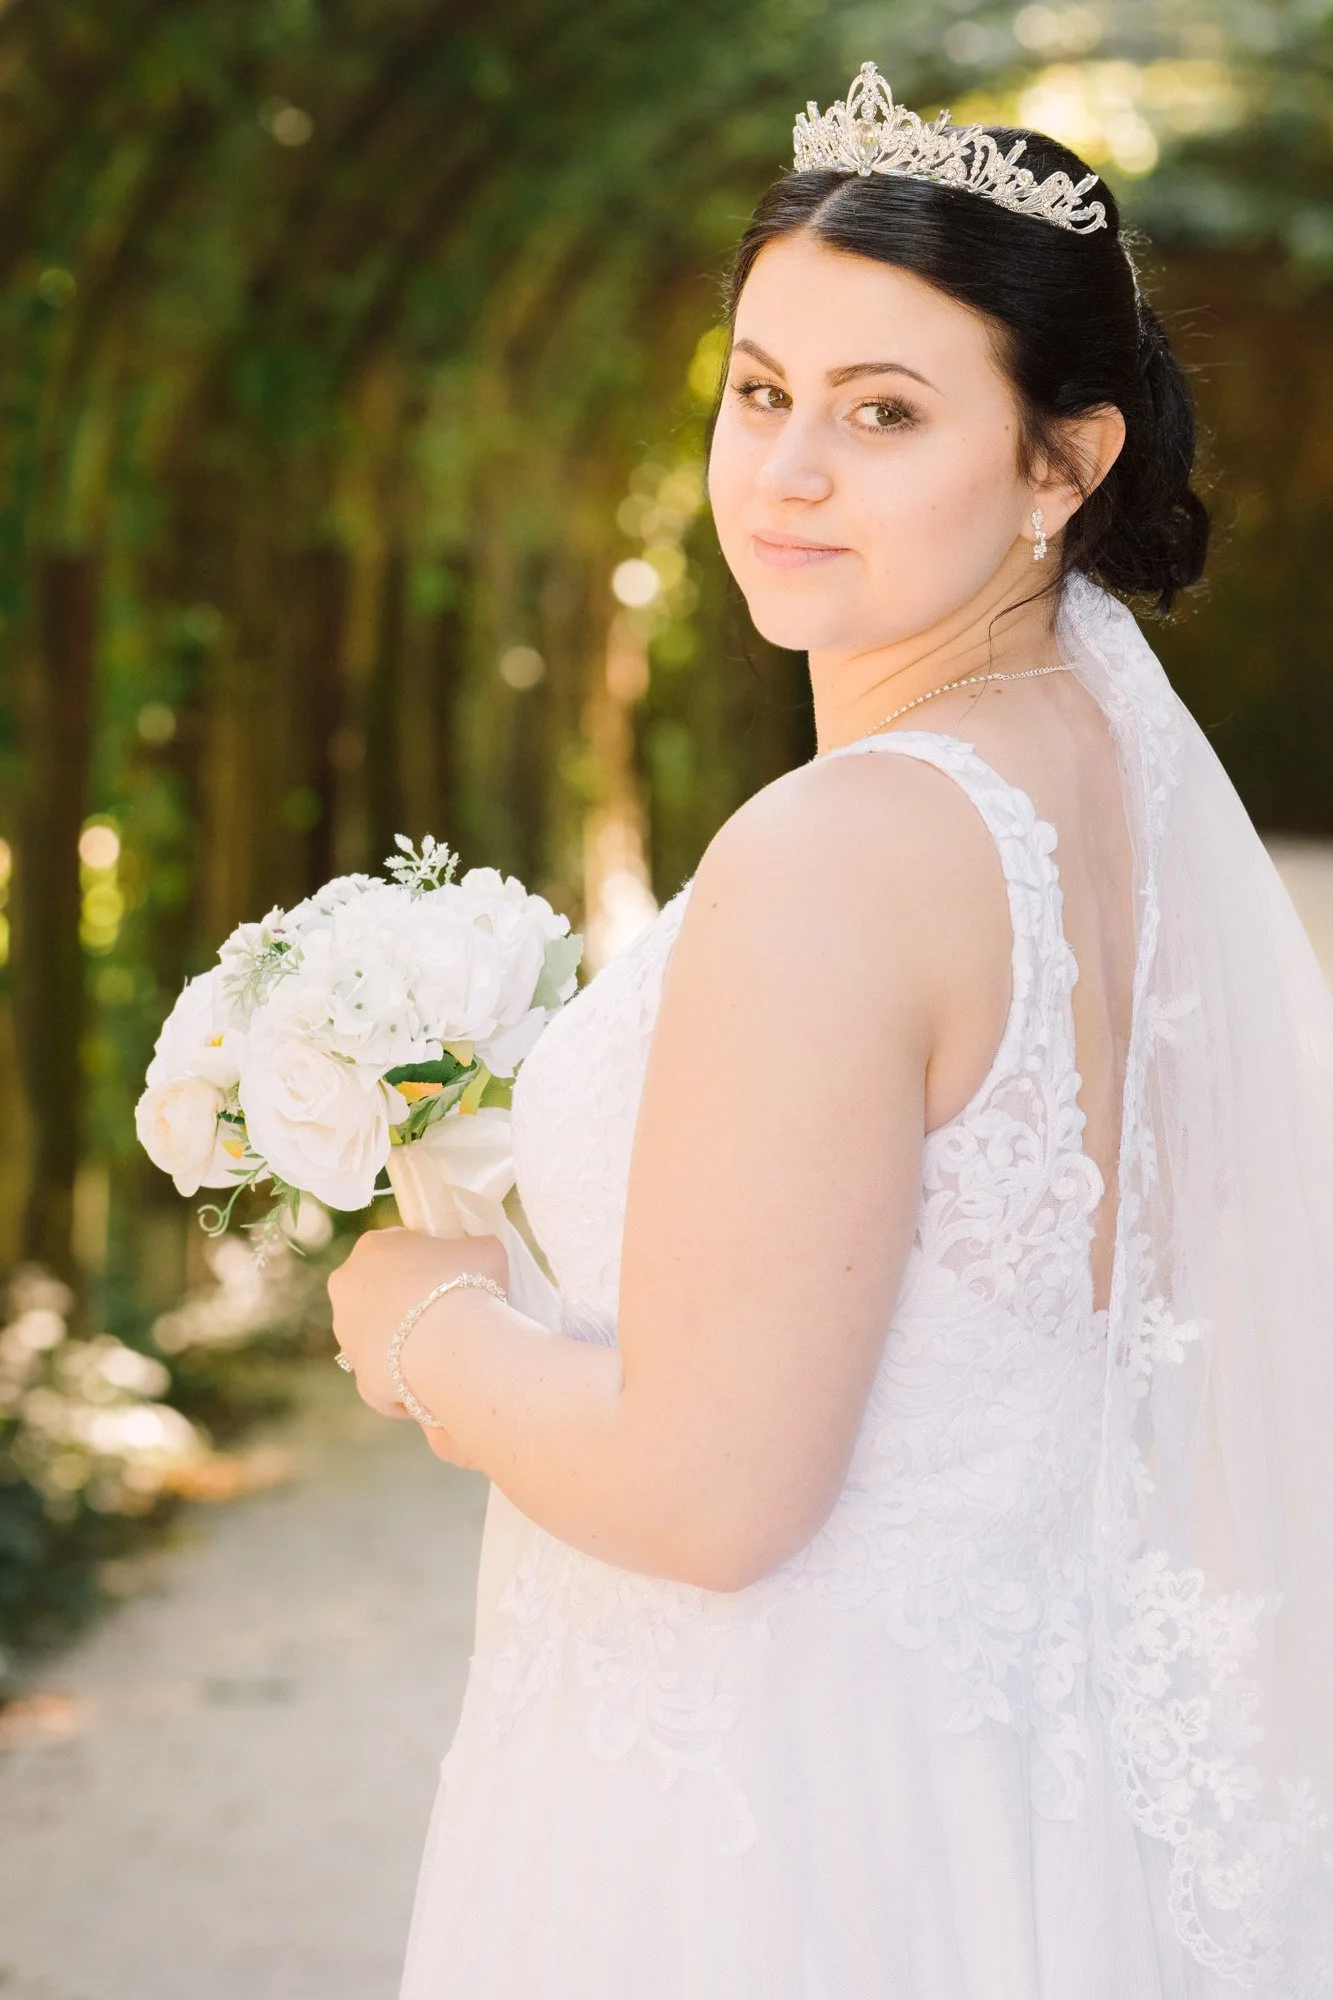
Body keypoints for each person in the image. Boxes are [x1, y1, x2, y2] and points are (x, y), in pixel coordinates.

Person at [330, 62, 1333, 1999]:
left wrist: (420, 1323)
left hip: (780, 1826)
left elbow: (714, 1495)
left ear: (1066, 463)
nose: (785, 470)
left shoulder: (843, 848)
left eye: (884, 414)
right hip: (1011, 1790)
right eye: (762, 389)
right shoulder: (1095, 781)